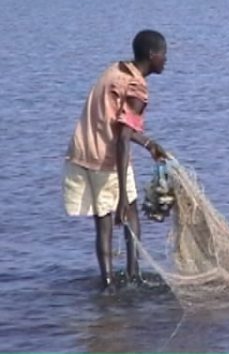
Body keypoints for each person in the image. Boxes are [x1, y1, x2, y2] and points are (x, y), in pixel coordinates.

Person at [62, 29, 169, 292]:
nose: (166, 61)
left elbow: (117, 124)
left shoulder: (115, 70)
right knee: (129, 213)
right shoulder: (137, 88)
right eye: (164, 55)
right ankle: (133, 279)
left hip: (82, 151)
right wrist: (122, 194)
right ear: (152, 55)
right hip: (106, 157)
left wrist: (148, 143)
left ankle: (108, 284)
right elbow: (121, 138)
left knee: (103, 222)